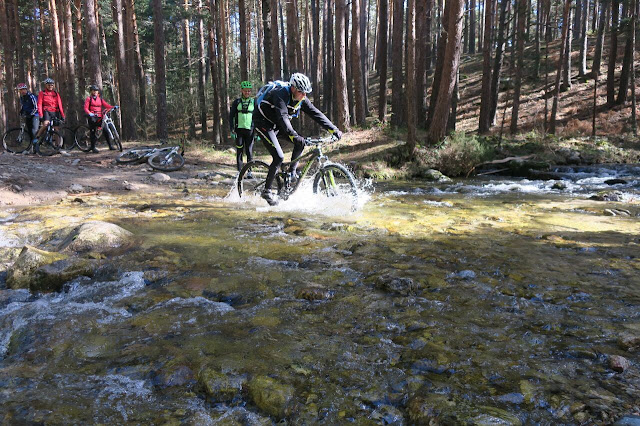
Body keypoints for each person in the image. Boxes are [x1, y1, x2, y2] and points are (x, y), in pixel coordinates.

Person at [253, 73, 342, 206]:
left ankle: (291, 174)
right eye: (301, 92)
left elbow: (315, 113)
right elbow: (283, 117)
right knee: (278, 156)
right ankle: (266, 191)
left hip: (277, 124)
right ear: (293, 88)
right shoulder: (280, 94)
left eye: (306, 93)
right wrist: (295, 136)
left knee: (299, 144)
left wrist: (333, 129)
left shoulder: (301, 98)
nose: (304, 96)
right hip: (262, 123)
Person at [229, 81, 255, 173]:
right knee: (239, 151)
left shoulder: (253, 102)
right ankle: (239, 172)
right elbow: (231, 116)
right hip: (239, 130)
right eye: (245, 91)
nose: (247, 92)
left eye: (249, 91)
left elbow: (257, 117)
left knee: (249, 151)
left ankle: (249, 171)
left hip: (250, 131)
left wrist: (258, 132)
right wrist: (231, 129)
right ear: (242, 91)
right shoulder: (237, 102)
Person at [83, 84, 116, 153]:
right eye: (93, 91)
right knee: (93, 131)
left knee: (106, 130)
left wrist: (113, 107)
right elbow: (86, 108)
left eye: (96, 91)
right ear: (91, 92)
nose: (95, 92)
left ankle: (110, 146)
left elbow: (106, 105)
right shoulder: (89, 99)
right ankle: (93, 147)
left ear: (98, 92)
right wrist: (90, 113)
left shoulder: (100, 99)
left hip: (100, 116)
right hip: (92, 116)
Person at [35, 78, 65, 145]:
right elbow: (39, 104)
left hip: (55, 111)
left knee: (56, 129)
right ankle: (37, 137)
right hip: (46, 111)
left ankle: (57, 146)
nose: (50, 86)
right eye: (49, 85)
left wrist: (62, 115)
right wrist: (41, 115)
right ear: (46, 85)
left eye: (51, 85)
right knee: (46, 124)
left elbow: (60, 105)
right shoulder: (42, 93)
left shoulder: (56, 94)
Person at [16, 83, 39, 150]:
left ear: (26, 89)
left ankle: (37, 147)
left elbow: (36, 107)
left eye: (23, 89)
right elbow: (24, 106)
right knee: (29, 131)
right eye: (20, 90)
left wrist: (31, 114)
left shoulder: (31, 96)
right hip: (28, 115)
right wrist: (22, 111)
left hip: (35, 115)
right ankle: (33, 147)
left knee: (34, 131)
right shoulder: (22, 98)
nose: (22, 91)